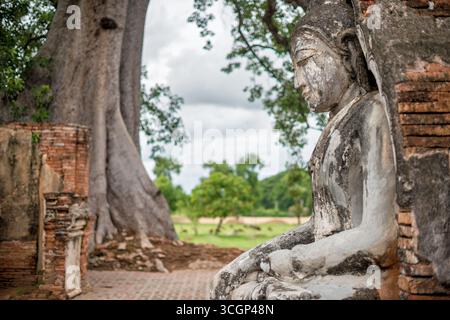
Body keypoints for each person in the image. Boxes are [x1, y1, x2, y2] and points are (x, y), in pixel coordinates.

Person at [211, 0, 397, 300]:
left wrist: (295, 259)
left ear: (347, 52)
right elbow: (324, 224)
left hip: (364, 278)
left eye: (305, 61)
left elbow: (378, 237)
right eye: (293, 69)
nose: (298, 81)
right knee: (231, 285)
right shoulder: (334, 129)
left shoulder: (371, 113)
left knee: (262, 296)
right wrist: (250, 258)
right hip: (328, 268)